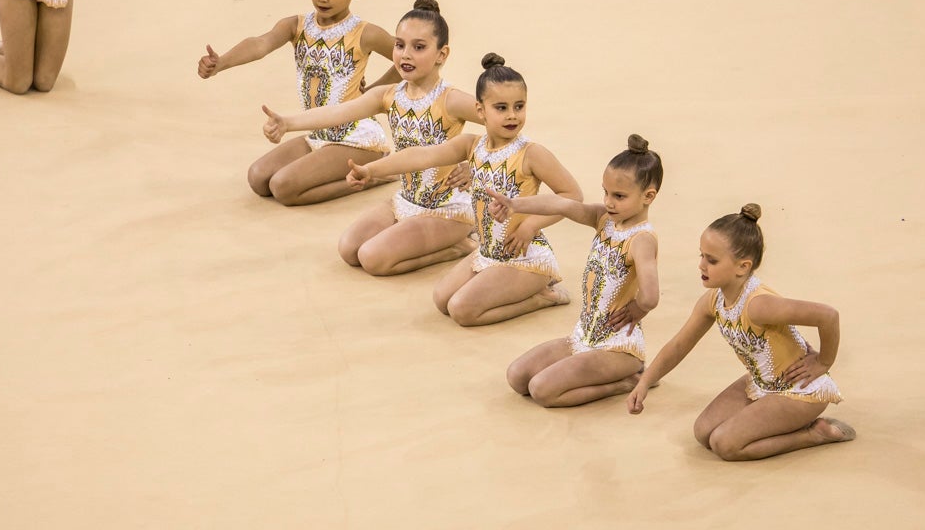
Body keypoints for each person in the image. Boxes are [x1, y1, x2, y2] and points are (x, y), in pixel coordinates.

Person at [348, 54, 581, 325]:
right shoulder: (472, 146)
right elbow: (421, 156)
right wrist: (371, 171)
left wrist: (531, 226)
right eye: (501, 108)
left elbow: (572, 195)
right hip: (487, 252)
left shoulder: (532, 154)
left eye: (519, 106)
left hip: (523, 257)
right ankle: (483, 263)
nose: (512, 115)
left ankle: (543, 294)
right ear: (480, 111)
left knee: (462, 310)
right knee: (441, 300)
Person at [262, 0, 478, 274]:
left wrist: (475, 166)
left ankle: (461, 244)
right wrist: (288, 123)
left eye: (419, 47)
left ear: (442, 54)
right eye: (400, 45)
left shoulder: (452, 100)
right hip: (406, 200)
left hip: (447, 208)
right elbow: (339, 112)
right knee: (349, 249)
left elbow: (507, 128)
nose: (406, 55)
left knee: (374, 259)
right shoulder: (387, 96)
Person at [627, 204, 856, 460]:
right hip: (761, 383)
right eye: (701, 255)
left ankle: (814, 434)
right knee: (703, 433)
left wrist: (824, 361)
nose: (701, 265)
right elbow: (679, 345)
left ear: (742, 266)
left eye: (711, 260)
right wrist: (645, 382)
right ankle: (772, 418)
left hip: (799, 391)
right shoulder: (712, 301)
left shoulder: (759, 305)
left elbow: (828, 315)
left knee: (726, 445)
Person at [198, 0, 398, 205]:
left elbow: (407, 62)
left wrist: (375, 93)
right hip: (318, 134)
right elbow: (260, 44)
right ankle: (348, 168)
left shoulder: (365, 33)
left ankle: (376, 172)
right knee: (258, 178)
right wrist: (221, 63)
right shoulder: (298, 26)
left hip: (355, 138)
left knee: (283, 187)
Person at [489, 134, 662, 407]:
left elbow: (651, 296)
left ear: (648, 196)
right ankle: (610, 370)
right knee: (518, 377)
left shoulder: (641, 240)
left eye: (619, 196)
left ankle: (629, 379)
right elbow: (563, 205)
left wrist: (638, 310)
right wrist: (515, 205)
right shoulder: (603, 220)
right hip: (583, 335)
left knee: (543, 391)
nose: (609, 202)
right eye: (605, 192)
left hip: (617, 347)